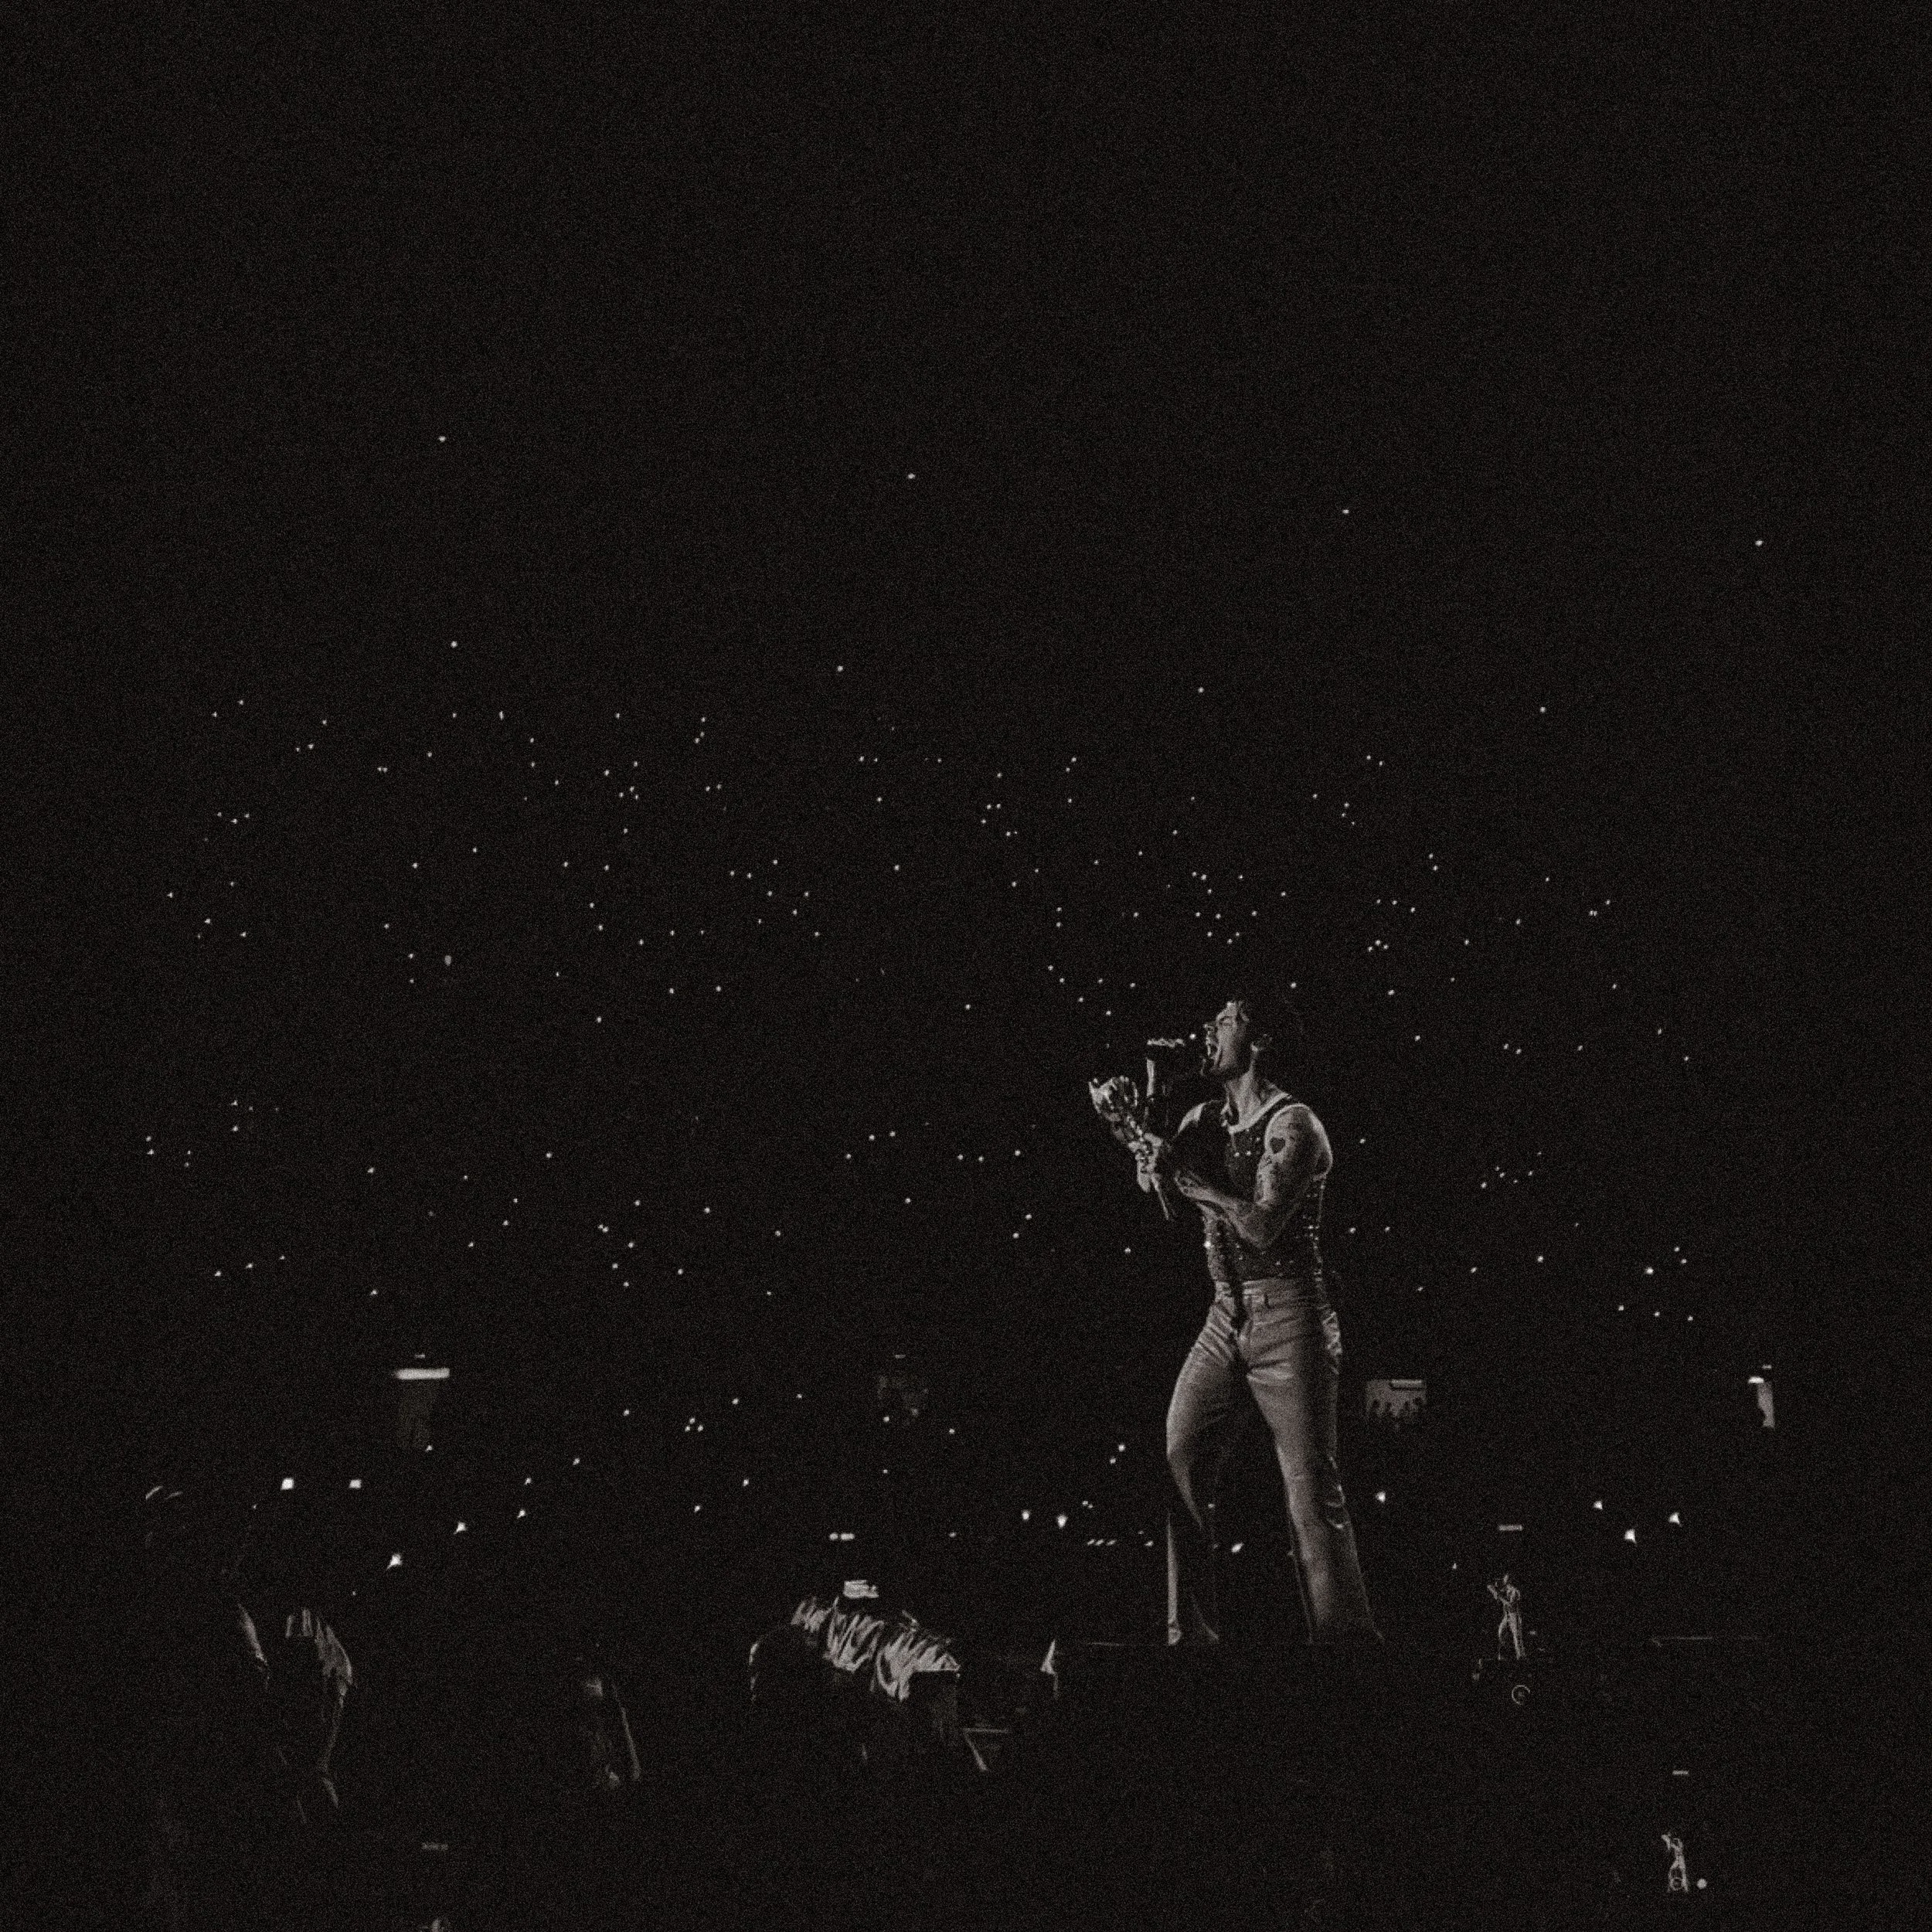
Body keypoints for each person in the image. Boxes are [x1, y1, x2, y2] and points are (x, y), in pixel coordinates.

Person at [1137, 988, 1382, 1649]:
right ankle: (1188, 1634)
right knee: (1179, 1457)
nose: (1212, 1026)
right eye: (1213, 1015)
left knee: (1309, 1491)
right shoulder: (1203, 1120)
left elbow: (1265, 1226)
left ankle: (1347, 1646)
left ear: (1261, 1038)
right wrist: (1154, 1106)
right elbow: (1159, 1190)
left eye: (1228, 1018)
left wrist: (1196, 1186)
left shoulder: (1293, 1125)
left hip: (1290, 1315)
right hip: (1225, 1315)